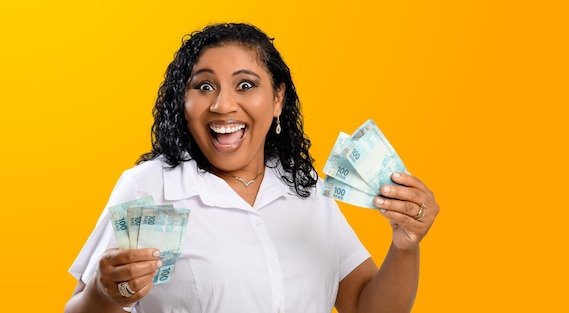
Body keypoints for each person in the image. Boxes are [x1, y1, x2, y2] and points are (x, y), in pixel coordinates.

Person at [65, 22, 439, 313]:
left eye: (245, 85)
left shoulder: (303, 187)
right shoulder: (150, 187)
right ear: (184, 102)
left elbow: (364, 304)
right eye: (204, 86)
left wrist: (405, 246)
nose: (223, 105)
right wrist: (102, 292)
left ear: (277, 99)